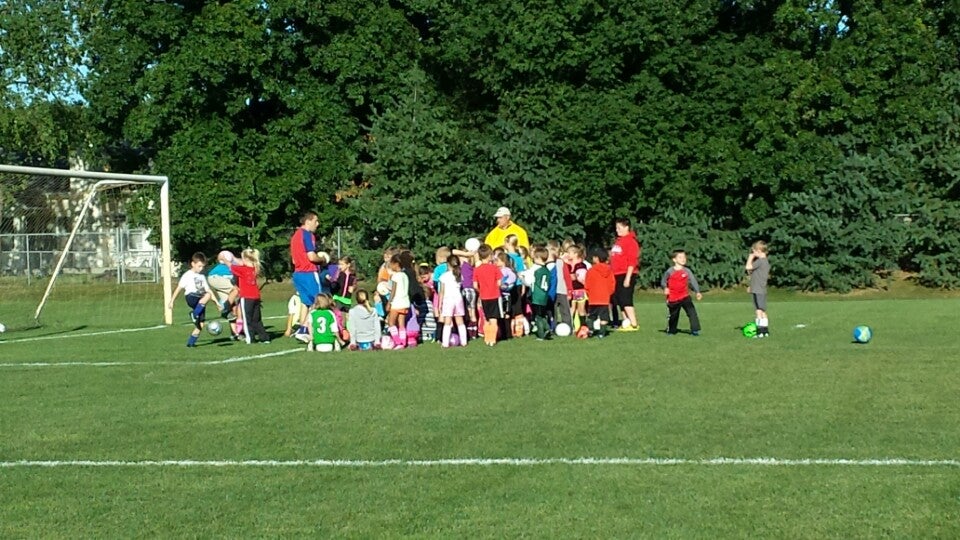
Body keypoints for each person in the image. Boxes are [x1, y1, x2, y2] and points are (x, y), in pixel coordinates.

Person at [290, 211, 325, 342]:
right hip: (309, 272)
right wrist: (322, 259)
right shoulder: (307, 235)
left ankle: (302, 327)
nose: (317, 224)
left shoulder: (295, 236)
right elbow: (312, 257)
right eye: (315, 221)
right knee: (319, 301)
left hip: (298, 273)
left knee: (306, 302)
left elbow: (294, 259)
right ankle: (304, 329)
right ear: (308, 221)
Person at [167, 252, 213, 348]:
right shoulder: (187, 275)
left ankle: (191, 343)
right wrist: (172, 300)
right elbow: (179, 288)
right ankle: (194, 314)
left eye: (202, 267)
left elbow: (208, 290)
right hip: (191, 297)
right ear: (193, 264)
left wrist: (217, 303)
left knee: (200, 324)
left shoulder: (202, 277)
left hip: (201, 301)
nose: (201, 269)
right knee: (207, 295)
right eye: (199, 266)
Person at [230, 248, 271, 344]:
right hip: (256, 297)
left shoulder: (243, 269)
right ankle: (264, 338)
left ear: (246, 259)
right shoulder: (254, 268)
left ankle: (250, 338)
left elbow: (231, 267)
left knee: (247, 319)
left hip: (246, 297)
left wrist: (226, 259)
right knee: (257, 319)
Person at [661, 250, 703, 336]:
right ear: (674, 260)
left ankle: (695, 330)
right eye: (680, 257)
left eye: (684, 257)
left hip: (685, 296)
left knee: (692, 312)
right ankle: (672, 331)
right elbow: (663, 281)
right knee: (673, 316)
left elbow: (693, 281)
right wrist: (665, 288)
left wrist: (697, 292)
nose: (683, 259)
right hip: (673, 298)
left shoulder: (687, 271)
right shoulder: (670, 271)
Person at [610, 218, 641, 331]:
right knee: (619, 299)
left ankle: (634, 323)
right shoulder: (619, 241)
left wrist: (628, 278)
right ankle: (626, 322)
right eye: (616, 228)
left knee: (626, 299)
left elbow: (632, 261)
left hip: (626, 273)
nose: (617, 230)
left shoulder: (631, 242)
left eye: (619, 228)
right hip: (616, 274)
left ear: (626, 227)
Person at [438, 254, 469, 348]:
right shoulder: (459, 275)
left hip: (448, 299)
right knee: (460, 320)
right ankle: (464, 342)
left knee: (447, 321)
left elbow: (442, 292)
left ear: (448, 264)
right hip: (458, 298)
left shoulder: (444, 276)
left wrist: (440, 304)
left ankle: (445, 343)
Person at [584, 247, 616, 338]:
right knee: (604, 317)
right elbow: (612, 284)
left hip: (593, 298)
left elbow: (587, 284)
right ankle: (602, 333)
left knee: (591, 316)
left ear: (596, 258)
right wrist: (608, 293)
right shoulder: (609, 270)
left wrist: (588, 293)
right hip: (604, 298)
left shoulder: (591, 270)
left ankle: (590, 329)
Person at [473, 244, 501, 346]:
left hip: (484, 296)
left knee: (486, 318)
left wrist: (480, 291)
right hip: (494, 295)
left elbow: (475, 285)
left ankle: (487, 338)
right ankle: (492, 340)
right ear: (489, 255)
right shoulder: (494, 268)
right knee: (494, 319)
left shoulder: (477, 269)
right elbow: (499, 283)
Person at [745, 240, 771, 338]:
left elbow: (748, 267)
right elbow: (756, 276)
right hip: (757, 288)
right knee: (761, 310)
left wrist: (750, 257)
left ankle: (760, 331)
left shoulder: (760, 261)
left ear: (759, 251)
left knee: (759, 311)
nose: (753, 253)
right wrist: (751, 286)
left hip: (759, 290)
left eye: (754, 251)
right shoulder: (764, 262)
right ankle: (765, 331)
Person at [385, 254, 411, 348]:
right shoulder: (405, 275)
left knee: (391, 322)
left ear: (396, 264)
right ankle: (403, 342)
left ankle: (397, 341)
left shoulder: (395, 276)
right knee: (401, 324)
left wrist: (389, 302)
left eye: (391, 264)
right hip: (405, 302)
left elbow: (393, 290)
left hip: (397, 302)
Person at [529, 246, 553, 340]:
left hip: (537, 296)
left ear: (538, 258)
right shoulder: (547, 270)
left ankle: (541, 334)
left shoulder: (536, 270)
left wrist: (522, 277)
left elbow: (530, 281)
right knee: (542, 314)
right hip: (544, 295)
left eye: (534, 258)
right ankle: (547, 329)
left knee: (538, 316)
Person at [207, 250, 238, 321]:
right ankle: (226, 309)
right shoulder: (231, 265)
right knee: (235, 290)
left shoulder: (223, 265)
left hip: (214, 278)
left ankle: (235, 331)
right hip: (216, 278)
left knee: (230, 300)